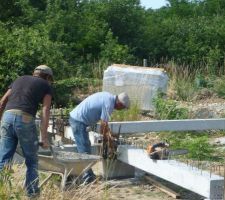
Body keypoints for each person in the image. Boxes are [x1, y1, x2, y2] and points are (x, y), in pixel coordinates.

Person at [0, 65, 53, 197]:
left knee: (4, 158)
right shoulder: (46, 85)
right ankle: (32, 194)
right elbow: (45, 110)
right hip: (24, 118)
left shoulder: (19, 79)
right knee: (32, 160)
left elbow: (2, 102)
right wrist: (44, 137)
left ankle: (2, 192)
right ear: (47, 77)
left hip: (7, 116)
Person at [69, 91, 130, 184]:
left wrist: (109, 134)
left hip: (78, 119)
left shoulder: (108, 97)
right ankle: (87, 178)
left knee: (85, 146)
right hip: (79, 120)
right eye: (123, 108)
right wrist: (109, 140)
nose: (121, 110)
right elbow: (103, 127)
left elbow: (104, 126)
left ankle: (89, 175)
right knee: (84, 148)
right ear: (120, 103)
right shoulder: (109, 103)